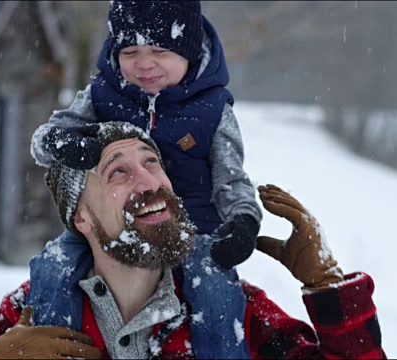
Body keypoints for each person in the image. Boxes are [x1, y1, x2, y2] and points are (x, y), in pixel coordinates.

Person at [0, 122, 387, 359]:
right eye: (118, 172)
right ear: (82, 218)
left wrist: (328, 288)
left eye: (152, 163)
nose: (150, 182)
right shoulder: (30, 315)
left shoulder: (238, 312)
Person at [28, 1, 261, 357]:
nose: (144, 63)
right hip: (113, 226)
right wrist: (64, 144)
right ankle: (52, 348)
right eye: (130, 50)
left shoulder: (213, 110)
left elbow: (232, 179)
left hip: (194, 229)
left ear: (189, 52)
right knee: (52, 268)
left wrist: (244, 219)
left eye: (160, 50)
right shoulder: (101, 94)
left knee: (215, 293)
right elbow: (43, 141)